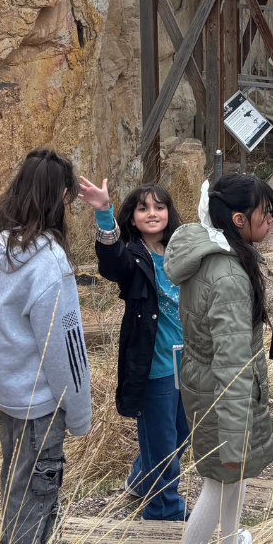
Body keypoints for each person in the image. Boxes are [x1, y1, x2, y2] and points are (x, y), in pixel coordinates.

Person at [0, 148, 95, 544]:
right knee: (38, 490)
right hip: (38, 401)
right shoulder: (49, 265)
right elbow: (65, 350)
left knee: (16, 481)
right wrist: (80, 412)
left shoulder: (4, 245)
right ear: (60, 196)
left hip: (8, 392)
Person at [159, 175, 273, 544]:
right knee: (218, 478)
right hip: (222, 392)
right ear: (237, 219)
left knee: (234, 472)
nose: (269, 222)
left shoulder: (212, 252)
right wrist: (233, 435)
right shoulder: (229, 275)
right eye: (264, 215)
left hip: (206, 382)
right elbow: (232, 364)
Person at [94, 183, 190, 523]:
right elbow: (111, 263)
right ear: (132, 219)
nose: (152, 213)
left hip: (187, 362)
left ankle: (139, 479)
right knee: (162, 441)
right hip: (154, 365)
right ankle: (163, 510)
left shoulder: (180, 250)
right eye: (143, 208)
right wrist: (105, 213)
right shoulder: (133, 257)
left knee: (181, 434)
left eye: (159, 207)